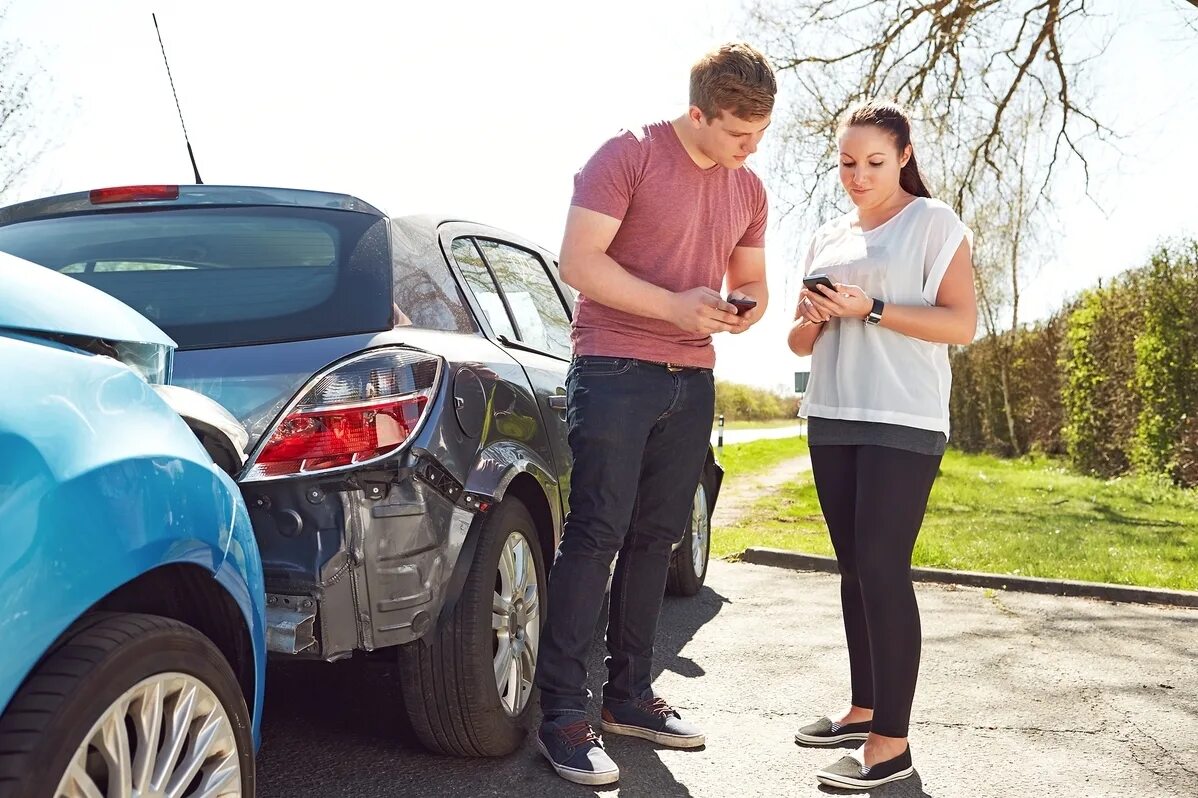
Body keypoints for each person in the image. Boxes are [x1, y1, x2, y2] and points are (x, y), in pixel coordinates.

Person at [533, 42, 776, 786]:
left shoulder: (749, 188)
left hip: (692, 378)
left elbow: (754, 280)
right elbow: (579, 262)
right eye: (738, 134)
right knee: (597, 531)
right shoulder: (627, 155)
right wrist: (674, 306)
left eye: (760, 136)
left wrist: (745, 312)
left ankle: (630, 697)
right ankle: (563, 717)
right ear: (698, 113)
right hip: (614, 368)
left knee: (658, 538)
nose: (749, 149)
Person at [787, 100, 977, 790]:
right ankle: (863, 708)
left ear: (902, 156)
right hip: (831, 412)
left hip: (904, 417)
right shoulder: (828, 234)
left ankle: (890, 746)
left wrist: (867, 307)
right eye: (846, 163)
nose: (857, 175)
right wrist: (816, 318)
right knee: (852, 567)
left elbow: (960, 324)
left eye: (872, 162)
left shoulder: (934, 223)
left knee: (882, 563)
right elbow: (798, 342)